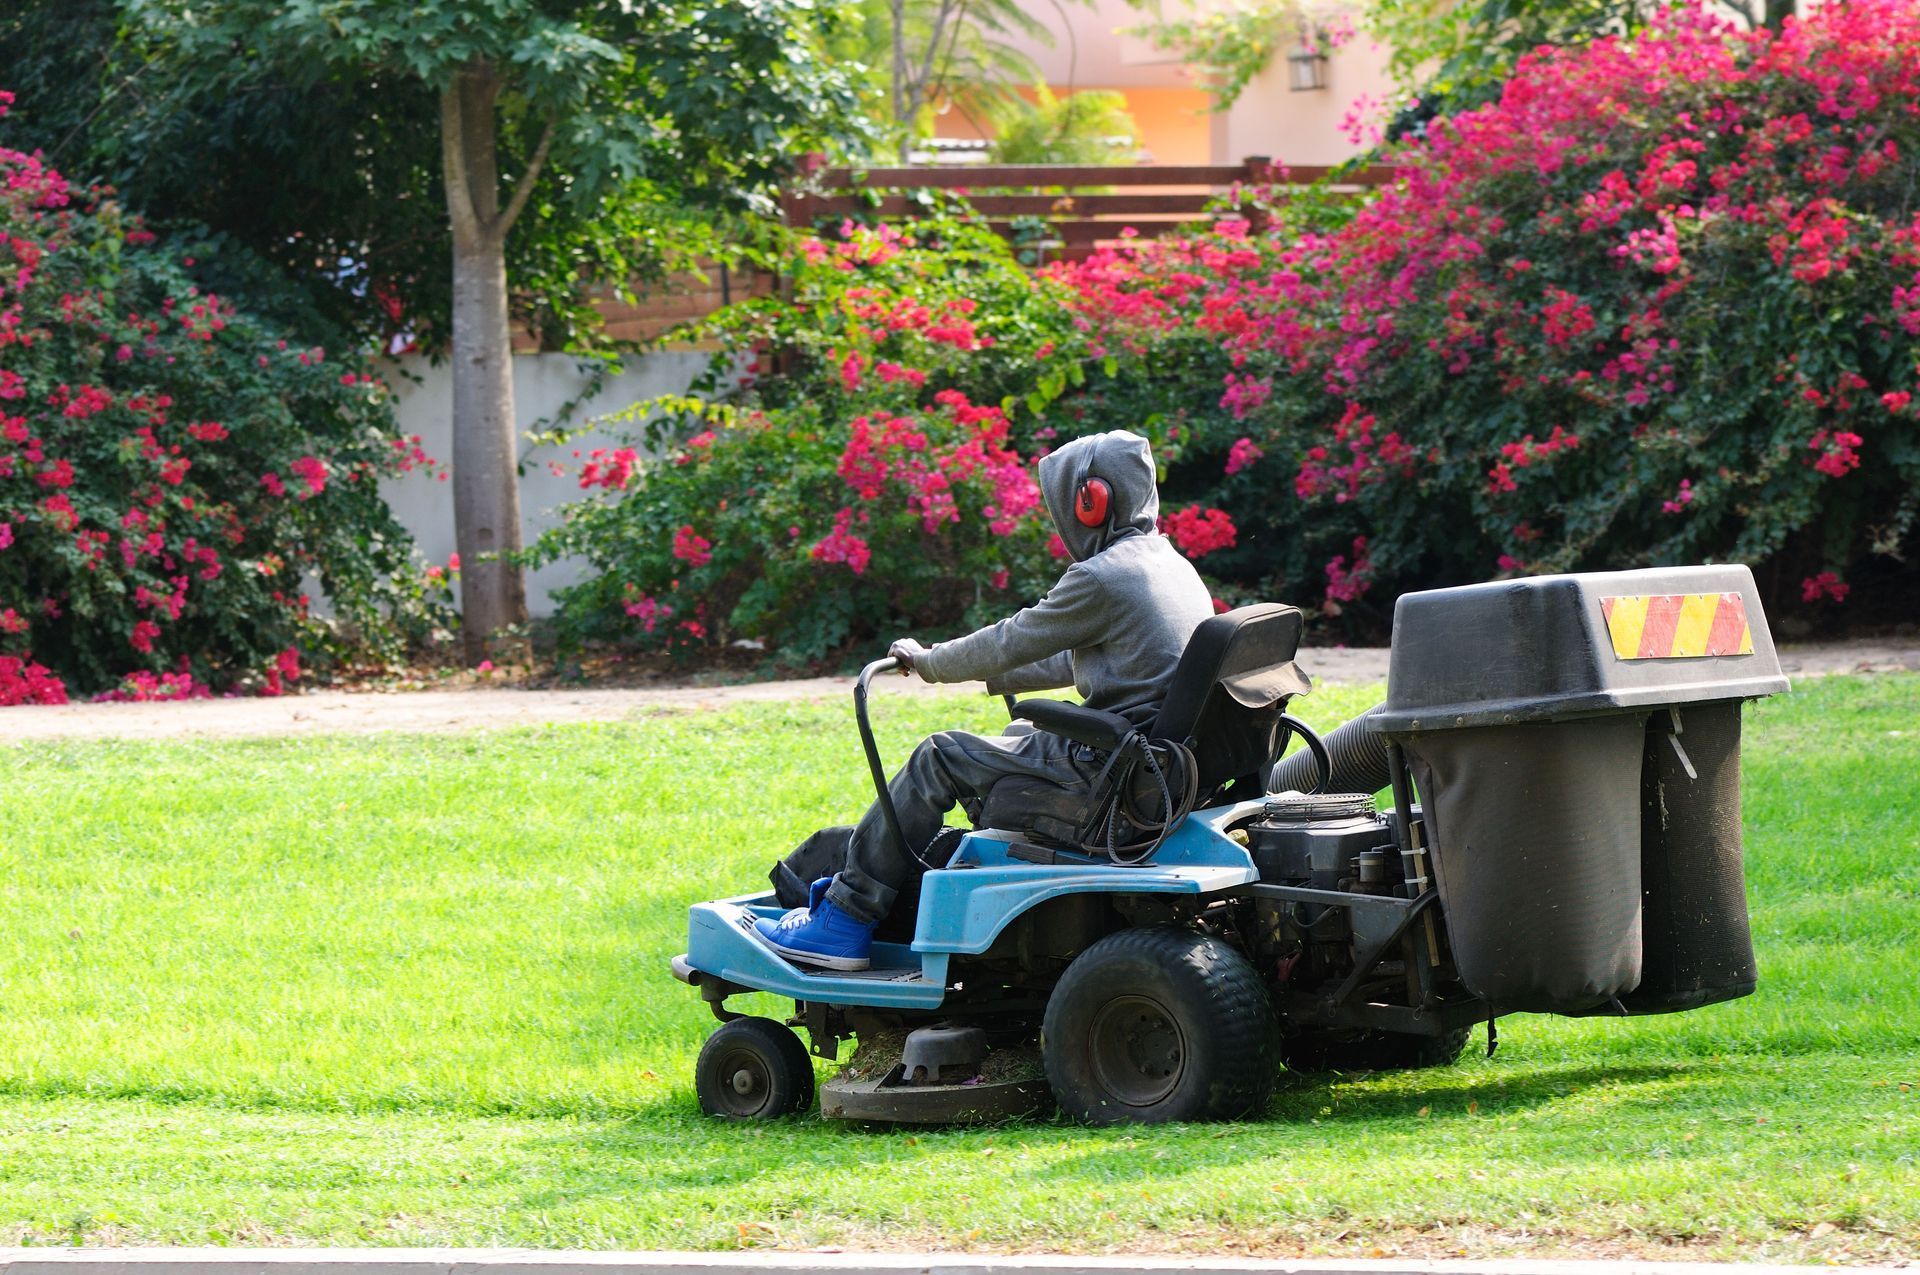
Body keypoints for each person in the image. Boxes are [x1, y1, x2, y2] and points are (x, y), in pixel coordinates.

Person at [755, 428, 1214, 970]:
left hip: (1114, 777)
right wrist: (994, 676)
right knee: (1020, 735)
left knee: (939, 755)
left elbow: (1008, 639)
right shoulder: (1166, 564)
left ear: (1091, 501)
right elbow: (1089, 659)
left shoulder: (1102, 577)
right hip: (1155, 770)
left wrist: (929, 661)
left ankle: (845, 918)